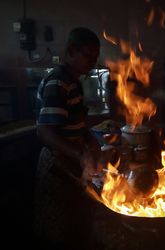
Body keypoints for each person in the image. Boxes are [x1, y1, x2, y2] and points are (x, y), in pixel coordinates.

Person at [33, 27, 103, 249]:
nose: (92, 62)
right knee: (57, 230)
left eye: (95, 57)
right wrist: (80, 154)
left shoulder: (73, 82)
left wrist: (90, 139)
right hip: (56, 165)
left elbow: (74, 123)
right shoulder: (58, 82)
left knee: (74, 225)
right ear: (72, 51)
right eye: (88, 56)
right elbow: (45, 132)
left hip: (69, 163)